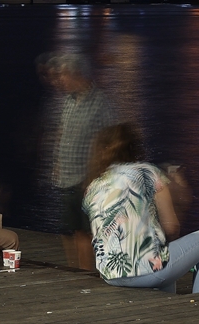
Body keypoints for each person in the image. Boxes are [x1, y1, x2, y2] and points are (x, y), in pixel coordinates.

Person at [82, 124, 199, 294]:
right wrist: (180, 193)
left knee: (160, 254)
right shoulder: (148, 173)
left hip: (111, 274)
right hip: (148, 271)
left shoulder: (94, 186)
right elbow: (171, 228)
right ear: (134, 148)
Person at [50, 54, 116, 268]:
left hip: (87, 179)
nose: (60, 80)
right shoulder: (68, 101)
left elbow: (110, 140)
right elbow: (63, 131)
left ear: (76, 74)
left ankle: (86, 272)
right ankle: (73, 269)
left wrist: (96, 173)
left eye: (63, 75)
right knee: (68, 229)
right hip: (67, 177)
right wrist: (57, 162)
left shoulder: (100, 102)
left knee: (86, 230)